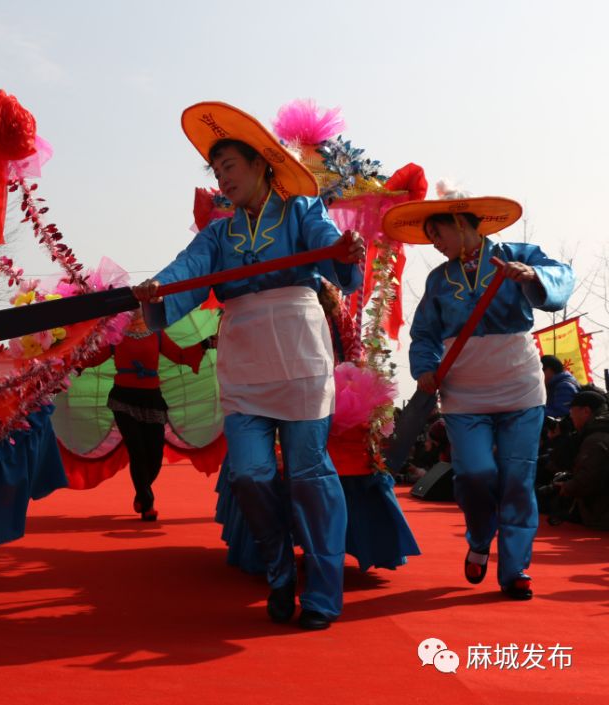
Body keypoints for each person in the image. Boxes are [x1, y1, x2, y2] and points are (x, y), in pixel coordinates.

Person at [133, 102, 365, 630]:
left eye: (230, 167)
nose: (222, 179)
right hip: (244, 355)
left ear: (262, 165)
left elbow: (331, 250)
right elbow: (186, 269)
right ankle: (281, 573)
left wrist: (345, 252)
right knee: (251, 474)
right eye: (216, 172)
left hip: (299, 349)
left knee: (309, 476)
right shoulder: (218, 235)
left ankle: (324, 597)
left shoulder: (302, 211)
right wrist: (159, 291)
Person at [383, 189, 574, 600]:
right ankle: (479, 536)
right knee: (473, 474)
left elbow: (562, 276)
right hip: (464, 394)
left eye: (439, 234)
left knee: (518, 481)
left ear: (463, 223)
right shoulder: (438, 280)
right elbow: (425, 335)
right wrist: (424, 370)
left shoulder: (515, 253)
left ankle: (516, 570)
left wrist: (533, 276)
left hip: (520, 387)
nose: (437, 245)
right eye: (431, 238)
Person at [82, 310, 212, 520]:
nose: (136, 312)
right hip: (123, 399)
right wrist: (69, 357)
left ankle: (141, 492)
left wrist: (204, 343)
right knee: (137, 451)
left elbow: (180, 356)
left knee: (155, 456)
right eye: (131, 308)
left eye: (140, 307)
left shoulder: (157, 334)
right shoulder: (116, 334)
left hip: (152, 399)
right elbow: (93, 358)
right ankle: (147, 503)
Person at [555, 390, 609, 530]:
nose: (570, 415)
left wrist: (567, 487)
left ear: (585, 411)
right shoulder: (600, 432)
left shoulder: (595, 439)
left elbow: (589, 477)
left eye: (572, 410)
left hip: (601, 517)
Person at [542, 355, 580, 419]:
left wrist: (536, 411)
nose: (539, 376)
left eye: (541, 371)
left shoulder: (564, 387)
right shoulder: (555, 384)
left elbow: (562, 414)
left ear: (549, 369)